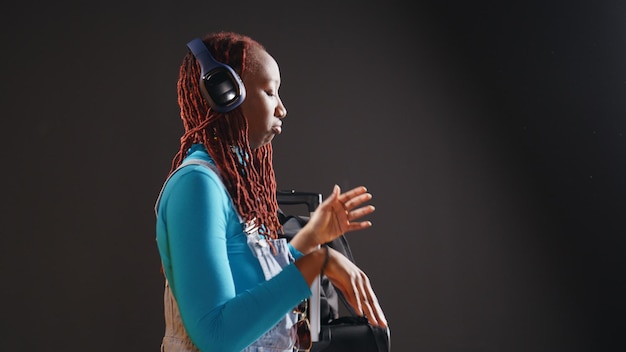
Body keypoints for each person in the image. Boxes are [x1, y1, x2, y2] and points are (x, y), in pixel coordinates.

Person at [154, 31, 387, 352]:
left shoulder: (228, 181)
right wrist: (318, 262)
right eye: (269, 92)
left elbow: (255, 293)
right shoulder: (197, 185)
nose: (282, 109)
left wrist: (311, 238)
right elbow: (216, 335)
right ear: (225, 93)